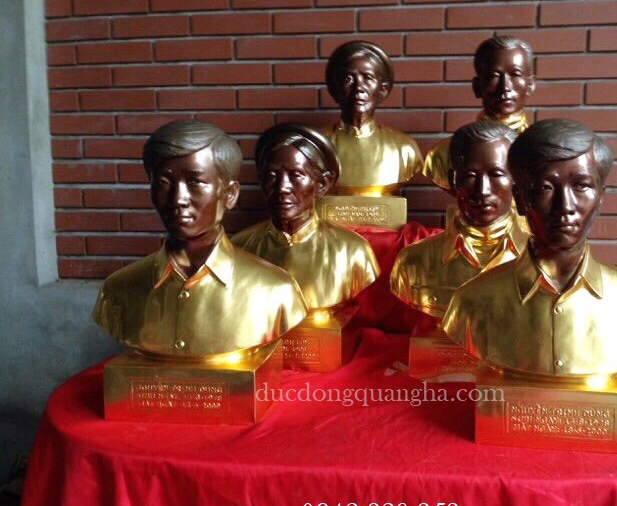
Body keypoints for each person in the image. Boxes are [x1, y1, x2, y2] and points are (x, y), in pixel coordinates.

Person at [442, 119, 617, 377]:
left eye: (581, 186)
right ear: (520, 199)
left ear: (601, 196)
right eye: (545, 187)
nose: (565, 206)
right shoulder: (471, 304)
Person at [92, 120, 308, 358]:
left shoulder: (275, 292)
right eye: (163, 183)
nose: (178, 199)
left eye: (195, 182)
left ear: (230, 194)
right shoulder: (117, 291)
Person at [233, 123, 379, 312]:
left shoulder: (352, 251)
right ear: (261, 181)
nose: (282, 187)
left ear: (322, 184)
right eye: (272, 176)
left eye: (295, 175)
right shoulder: (240, 248)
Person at [391, 121, 528, 319]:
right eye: (470, 176)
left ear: (516, 180)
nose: (483, 190)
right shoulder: (412, 263)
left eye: (496, 174)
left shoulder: (543, 263)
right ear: (453, 180)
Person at [423, 35, 536, 191]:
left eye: (515, 74)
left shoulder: (544, 152)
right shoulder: (443, 154)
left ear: (530, 84)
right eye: (494, 76)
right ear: (477, 86)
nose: (505, 86)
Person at [323, 40, 422, 196]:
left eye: (368, 78)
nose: (358, 87)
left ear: (382, 90)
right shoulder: (317, 146)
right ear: (335, 90)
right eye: (348, 79)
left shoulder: (404, 148)